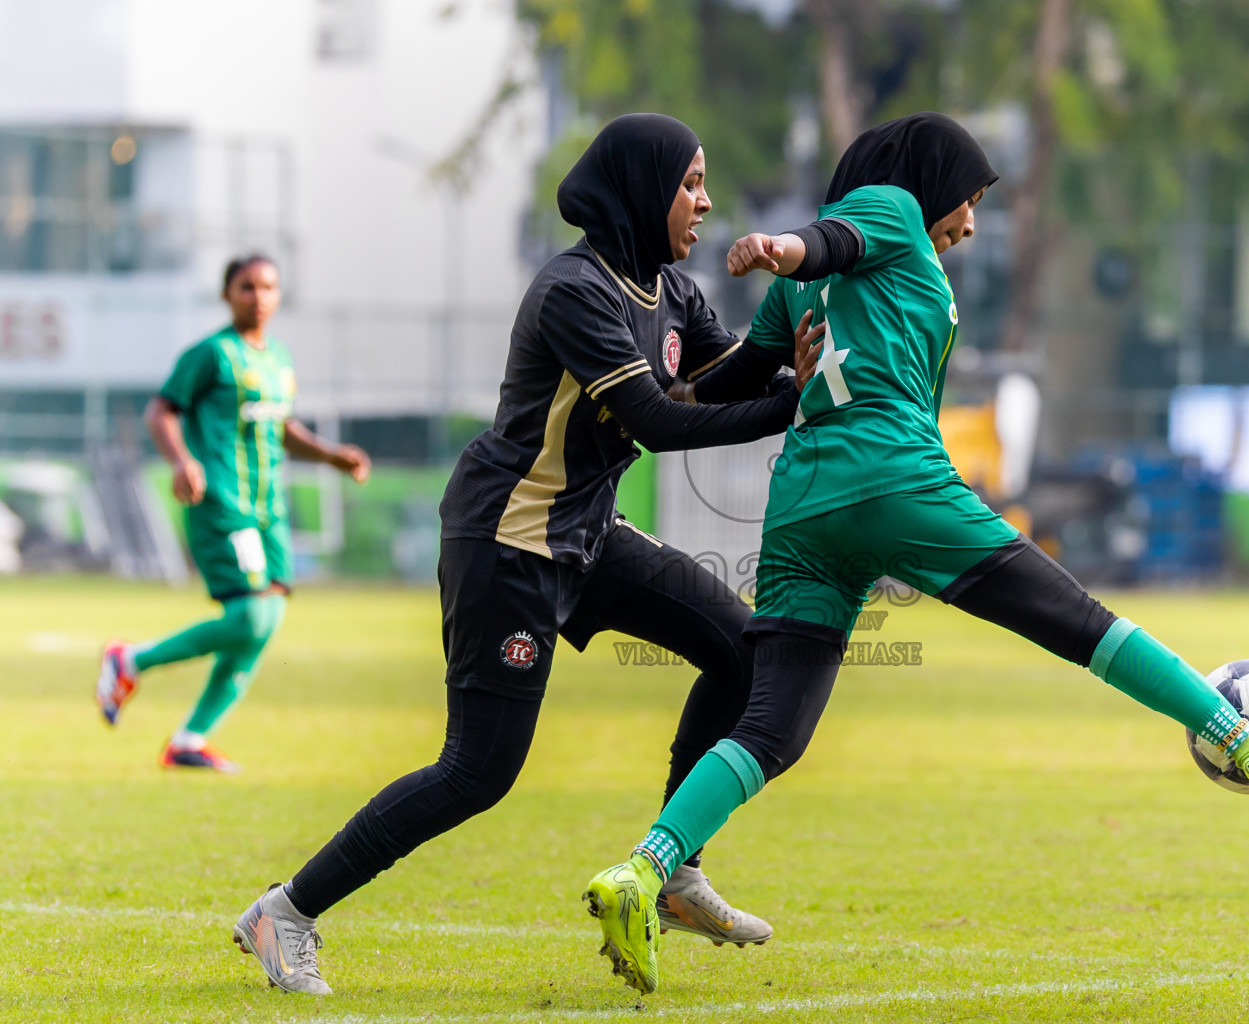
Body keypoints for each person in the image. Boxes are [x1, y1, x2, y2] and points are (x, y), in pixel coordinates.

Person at [584, 112, 1249, 996]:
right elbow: (825, 239)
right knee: (1081, 624)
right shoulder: (891, 208)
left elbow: (717, 385)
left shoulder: (825, 286)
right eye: (972, 198)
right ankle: (1247, 744)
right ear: (929, 180)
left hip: (801, 508)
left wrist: (652, 391)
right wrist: (777, 246)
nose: (970, 223)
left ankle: (643, 871)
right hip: (896, 482)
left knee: (770, 730)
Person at [228, 113, 823, 995]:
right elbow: (658, 421)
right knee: (477, 771)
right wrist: (789, 405)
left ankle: (671, 871)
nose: (705, 201)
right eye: (690, 183)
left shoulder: (666, 286)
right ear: (642, 188)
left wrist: (792, 357)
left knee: (743, 652)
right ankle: (285, 912)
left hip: (587, 532)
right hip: (508, 538)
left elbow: (720, 372)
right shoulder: (574, 290)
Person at [95, 254, 371, 772]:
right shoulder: (210, 354)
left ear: (279, 295)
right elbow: (160, 411)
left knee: (265, 623)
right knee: (250, 616)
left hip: (270, 508)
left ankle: (189, 741)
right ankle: (129, 660)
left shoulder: (279, 360)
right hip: (224, 503)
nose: (258, 296)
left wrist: (332, 456)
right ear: (227, 294)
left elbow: (282, 429)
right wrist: (182, 461)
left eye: (268, 287)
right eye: (247, 287)